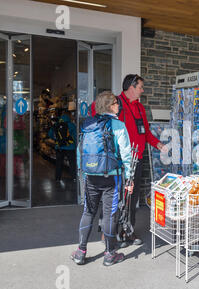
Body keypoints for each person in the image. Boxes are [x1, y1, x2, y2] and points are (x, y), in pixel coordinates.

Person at [71, 91, 134, 266]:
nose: (118, 106)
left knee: (88, 212)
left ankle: (80, 252)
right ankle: (109, 254)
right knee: (109, 215)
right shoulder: (118, 125)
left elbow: (80, 151)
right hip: (110, 178)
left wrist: (82, 172)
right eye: (115, 103)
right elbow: (127, 155)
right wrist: (129, 178)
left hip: (90, 176)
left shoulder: (88, 124)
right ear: (109, 106)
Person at [115, 74, 167, 248]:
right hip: (121, 161)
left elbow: (145, 133)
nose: (142, 90)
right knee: (120, 196)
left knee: (133, 196)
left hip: (137, 160)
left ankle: (128, 230)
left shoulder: (140, 108)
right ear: (131, 87)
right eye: (140, 87)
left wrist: (158, 144)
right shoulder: (116, 103)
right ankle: (114, 232)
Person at [48, 111, 77, 181]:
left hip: (59, 147)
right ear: (69, 116)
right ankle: (74, 177)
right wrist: (75, 144)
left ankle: (58, 178)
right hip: (70, 147)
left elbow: (50, 134)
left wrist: (56, 140)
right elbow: (76, 136)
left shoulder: (57, 124)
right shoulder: (72, 125)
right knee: (72, 163)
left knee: (59, 163)